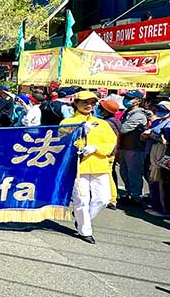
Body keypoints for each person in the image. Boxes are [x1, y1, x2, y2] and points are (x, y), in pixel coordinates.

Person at [60, 91, 117, 244]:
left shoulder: (103, 124)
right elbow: (62, 142)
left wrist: (96, 147)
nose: (88, 105)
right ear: (76, 104)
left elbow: (110, 142)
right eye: (84, 102)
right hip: (78, 167)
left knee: (103, 199)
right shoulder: (67, 122)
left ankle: (82, 219)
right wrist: (78, 138)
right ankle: (85, 230)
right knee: (81, 200)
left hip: (99, 165)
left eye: (91, 102)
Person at [118, 90, 148, 204]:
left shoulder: (138, 115)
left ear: (138, 101)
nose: (125, 99)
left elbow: (122, 129)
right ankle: (129, 193)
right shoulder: (127, 112)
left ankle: (136, 197)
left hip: (135, 149)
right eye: (125, 97)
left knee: (134, 174)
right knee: (124, 172)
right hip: (125, 147)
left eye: (129, 98)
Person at [94, 99, 122, 210]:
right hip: (111, 151)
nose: (98, 110)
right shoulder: (115, 120)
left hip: (107, 152)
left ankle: (112, 199)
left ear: (105, 111)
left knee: (107, 175)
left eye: (101, 108)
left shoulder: (107, 123)